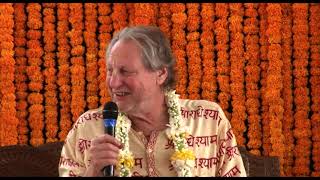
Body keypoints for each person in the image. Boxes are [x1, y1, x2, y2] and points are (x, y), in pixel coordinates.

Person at [58, 25, 247, 177]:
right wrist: (93, 172)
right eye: (110, 71)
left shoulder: (208, 120)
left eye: (126, 71)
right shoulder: (87, 127)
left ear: (161, 73)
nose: (114, 82)